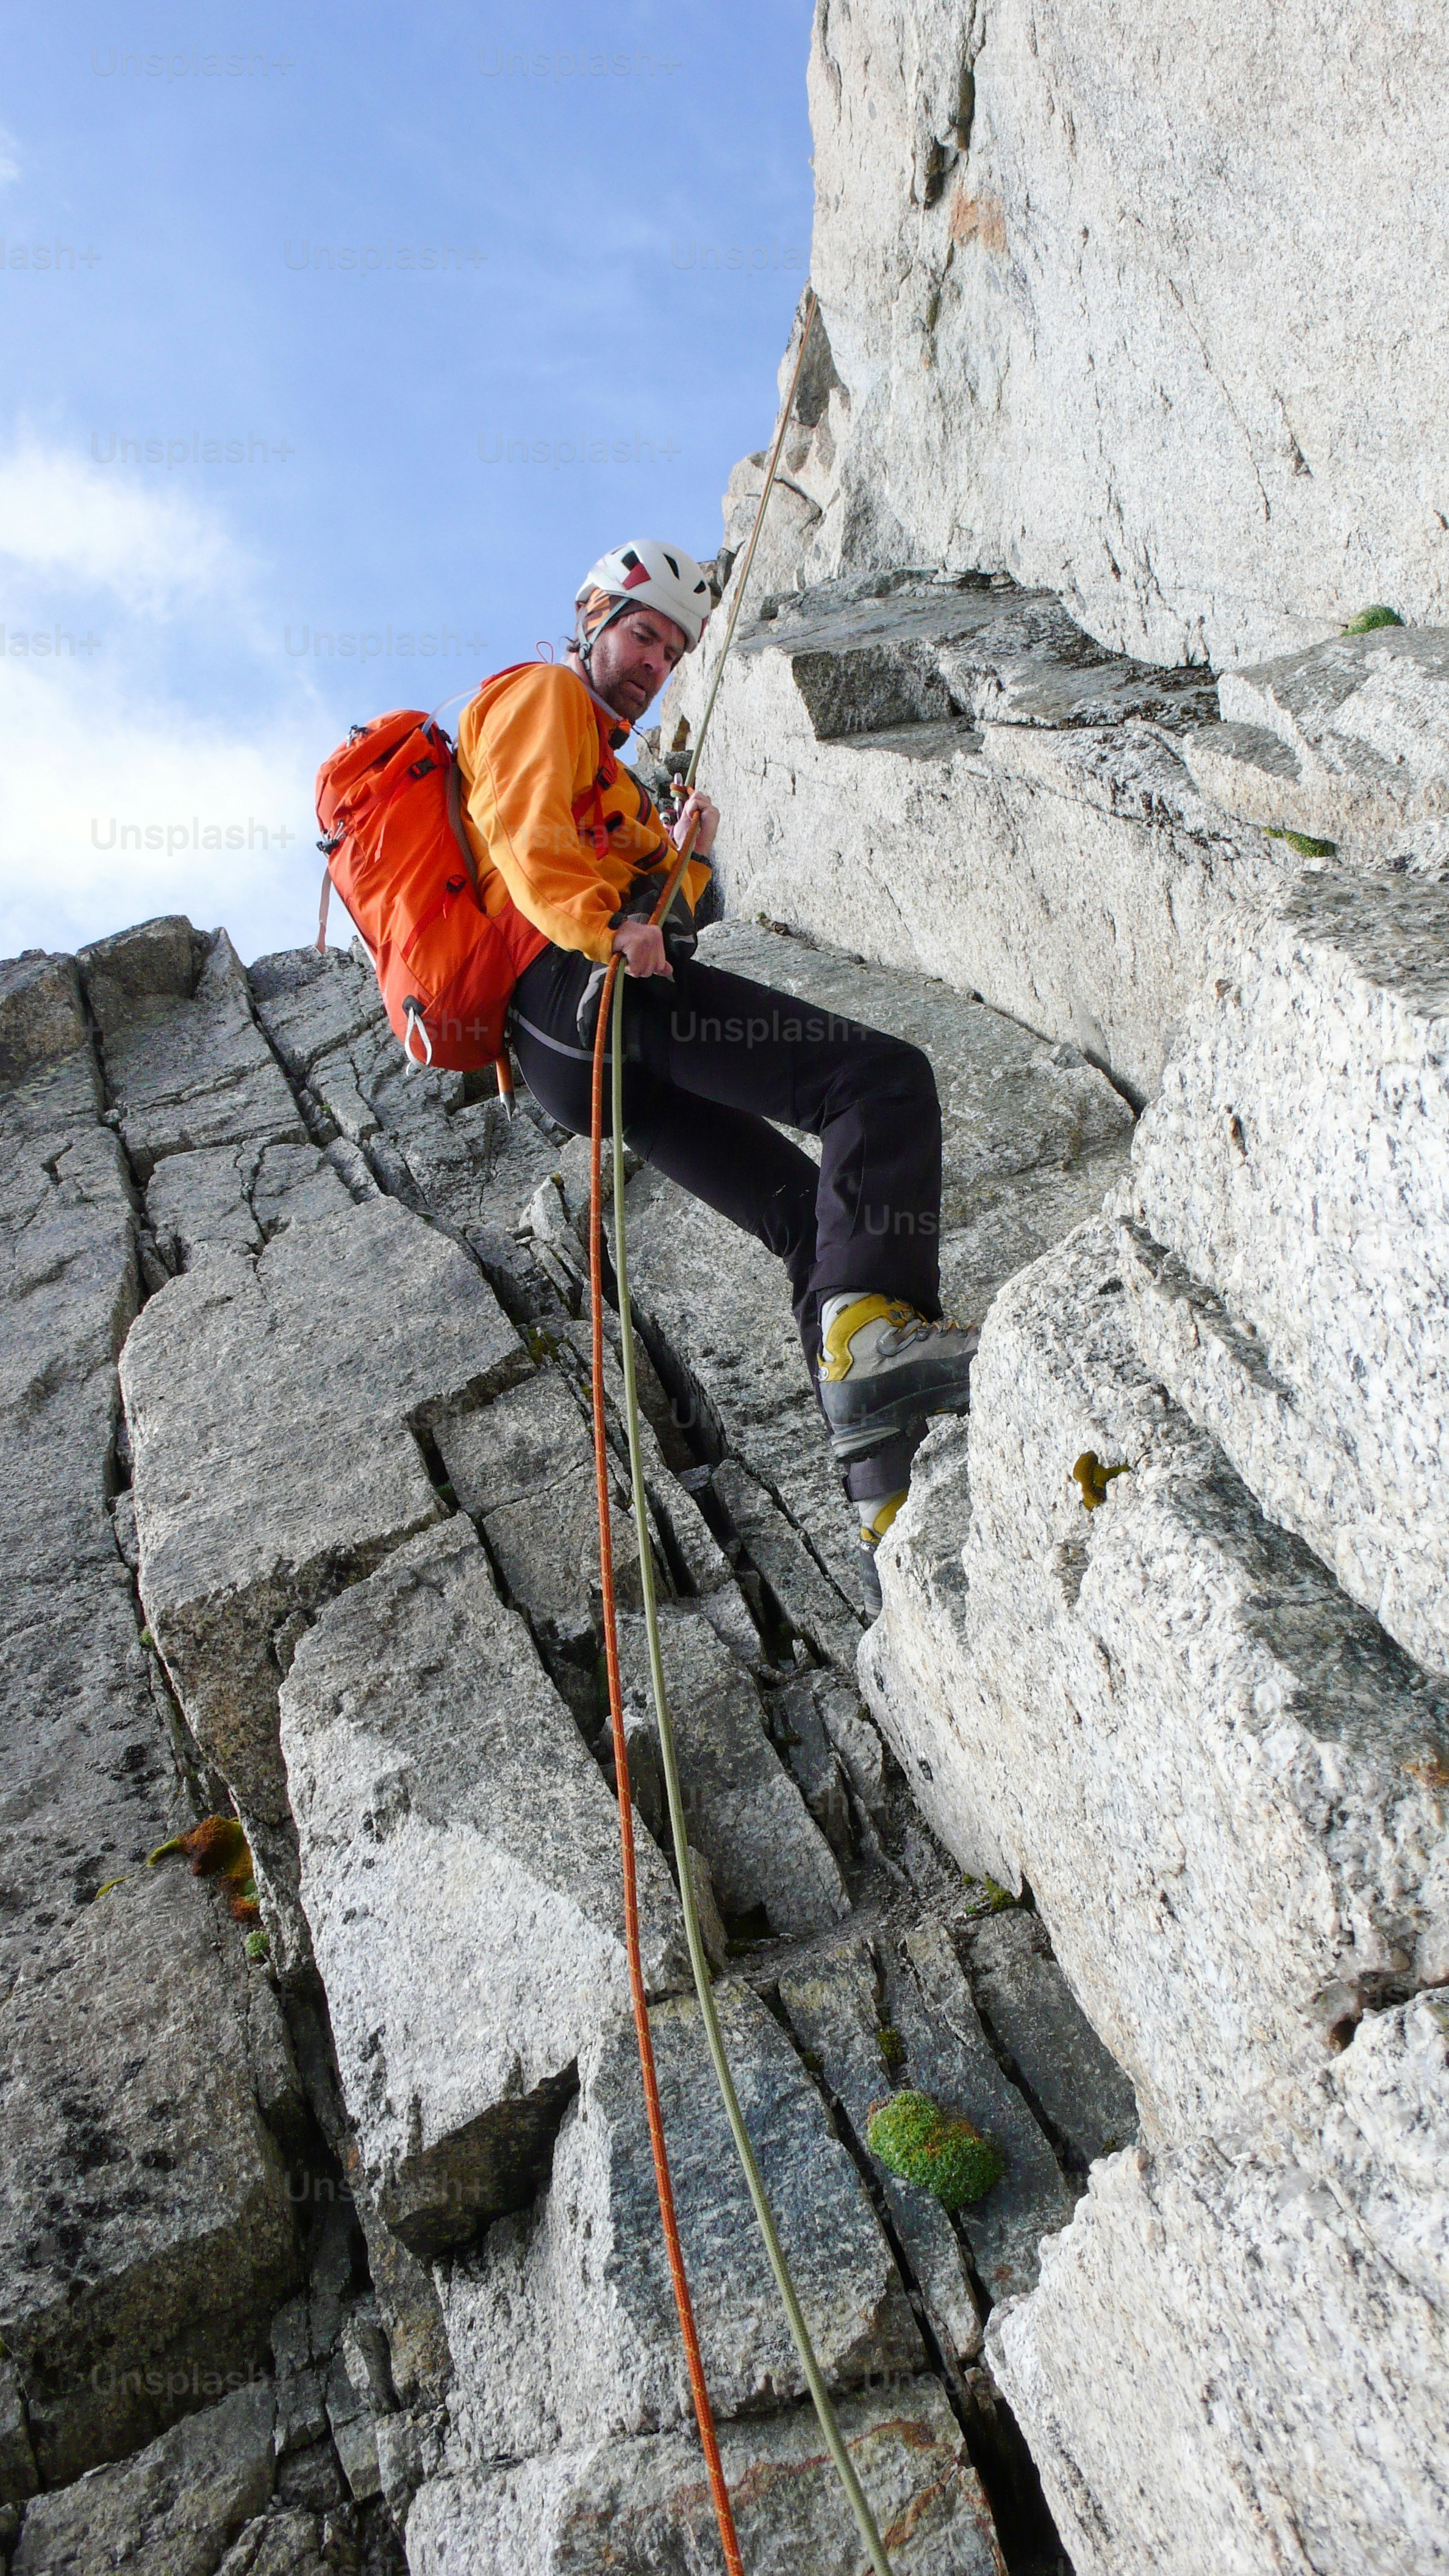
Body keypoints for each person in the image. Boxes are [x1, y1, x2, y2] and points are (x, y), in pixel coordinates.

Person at [454, 539, 977, 1611]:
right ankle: (882, 1348)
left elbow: (671, 911)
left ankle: (885, 1490)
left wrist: (682, 852)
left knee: (803, 1220)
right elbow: (521, 833)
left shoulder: (618, 779)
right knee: (876, 1084)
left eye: (671, 651)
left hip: (577, 1047)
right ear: (593, 614)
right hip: (576, 990)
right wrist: (610, 926)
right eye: (643, 634)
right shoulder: (544, 692)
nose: (654, 663)